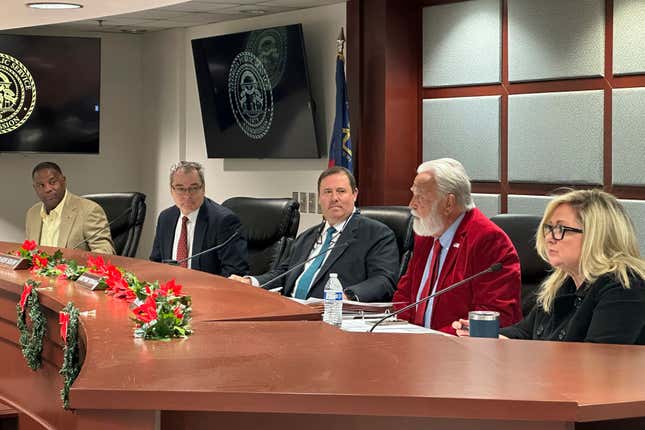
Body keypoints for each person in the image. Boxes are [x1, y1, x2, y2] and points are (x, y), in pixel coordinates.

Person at [454, 189, 645, 344]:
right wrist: (486, 334)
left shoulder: (625, 287)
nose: (549, 237)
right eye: (549, 227)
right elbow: (524, 332)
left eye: (561, 229)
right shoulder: (562, 282)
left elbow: (597, 362)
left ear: (597, 234)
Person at [230, 166, 399, 302]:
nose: (334, 198)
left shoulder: (377, 234)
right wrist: (251, 282)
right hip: (291, 312)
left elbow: (384, 280)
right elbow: (284, 273)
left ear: (354, 194)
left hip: (333, 317)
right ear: (319, 198)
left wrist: (346, 296)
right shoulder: (307, 236)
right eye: (327, 192)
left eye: (341, 191)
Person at [393, 158, 522, 334]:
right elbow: (404, 295)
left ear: (448, 203)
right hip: (414, 347)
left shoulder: (489, 240)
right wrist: (402, 332)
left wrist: (430, 341)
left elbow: (493, 318)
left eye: (420, 197)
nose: (411, 205)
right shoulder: (427, 232)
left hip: (459, 353)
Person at [150, 161, 249, 277]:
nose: (187, 196)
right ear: (171, 190)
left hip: (207, 291)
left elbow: (235, 273)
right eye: (180, 189)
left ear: (203, 188)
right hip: (170, 291)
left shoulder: (223, 221)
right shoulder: (165, 218)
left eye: (194, 188)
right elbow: (156, 263)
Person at [25, 162, 115, 254]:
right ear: (35, 188)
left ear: (63, 181)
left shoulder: (89, 210)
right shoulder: (32, 213)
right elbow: (29, 253)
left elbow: (105, 251)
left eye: (52, 182)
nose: (47, 189)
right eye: (41, 185)